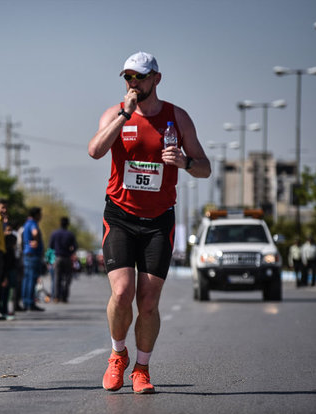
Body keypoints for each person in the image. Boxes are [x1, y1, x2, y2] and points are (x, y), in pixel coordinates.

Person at [88, 51, 210, 394]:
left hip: (158, 221)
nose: (133, 83)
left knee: (149, 301)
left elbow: (205, 167)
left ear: (156, 78)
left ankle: (142, 368)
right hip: (120, 216)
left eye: (140, 77)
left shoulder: (177, 118)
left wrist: (185, 162)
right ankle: (117, 356)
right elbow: (95, 151)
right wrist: (123, 115)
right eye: (128, 78)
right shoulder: (115, 114)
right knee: (122, 291)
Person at [49, 217, 78, 303]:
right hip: (67, 258)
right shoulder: (70, 234)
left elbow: (51, 246)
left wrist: (57, 249)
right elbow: (75, 246)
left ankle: (56, 297)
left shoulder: (55, 234)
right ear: (67, 224)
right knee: (67, 278)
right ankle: (64, 297)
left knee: (57, 278)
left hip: (58, 258)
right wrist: (70, 251)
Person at [21, 207, 45, 311]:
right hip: (33, 254)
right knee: (32, 278)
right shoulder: (33, 223)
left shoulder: (26, 223)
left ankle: (26, 301)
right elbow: (35, 232)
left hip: (27, 254)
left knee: (26, 279)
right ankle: (30, 302)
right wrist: (36, 240)